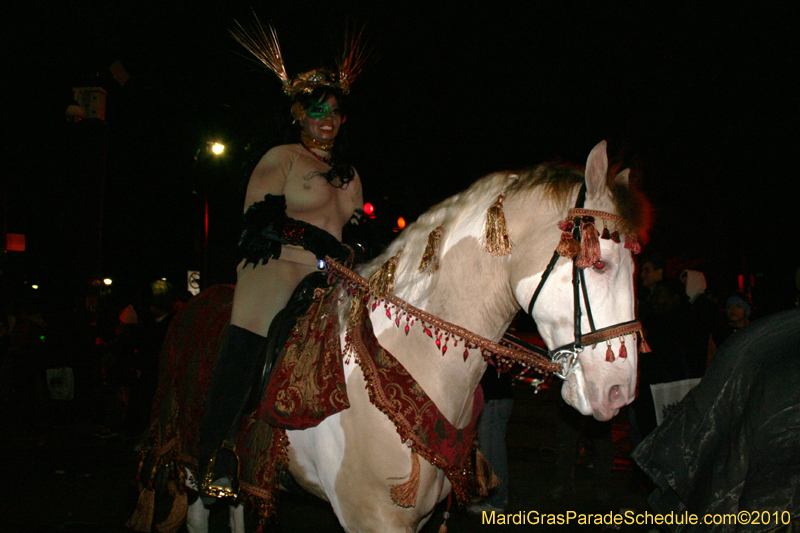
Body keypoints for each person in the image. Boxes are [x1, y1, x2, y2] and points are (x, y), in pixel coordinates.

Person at [197, 24, 369, 502]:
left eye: (335, 111)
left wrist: (362, 251)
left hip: (332, 277)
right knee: (250, 340)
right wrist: (313, 238)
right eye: (318, 111)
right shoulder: (282, 158)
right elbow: (258, 221)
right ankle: (216, 453)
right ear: (299, 115)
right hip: (279, 268)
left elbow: (358, 229)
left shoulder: (349, 174)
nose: (328, 120)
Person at [633, 307, 800, 530]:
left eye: (737, 306)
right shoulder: (753, 340)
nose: (732, 310)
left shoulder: (767, 339)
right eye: (729, 306)